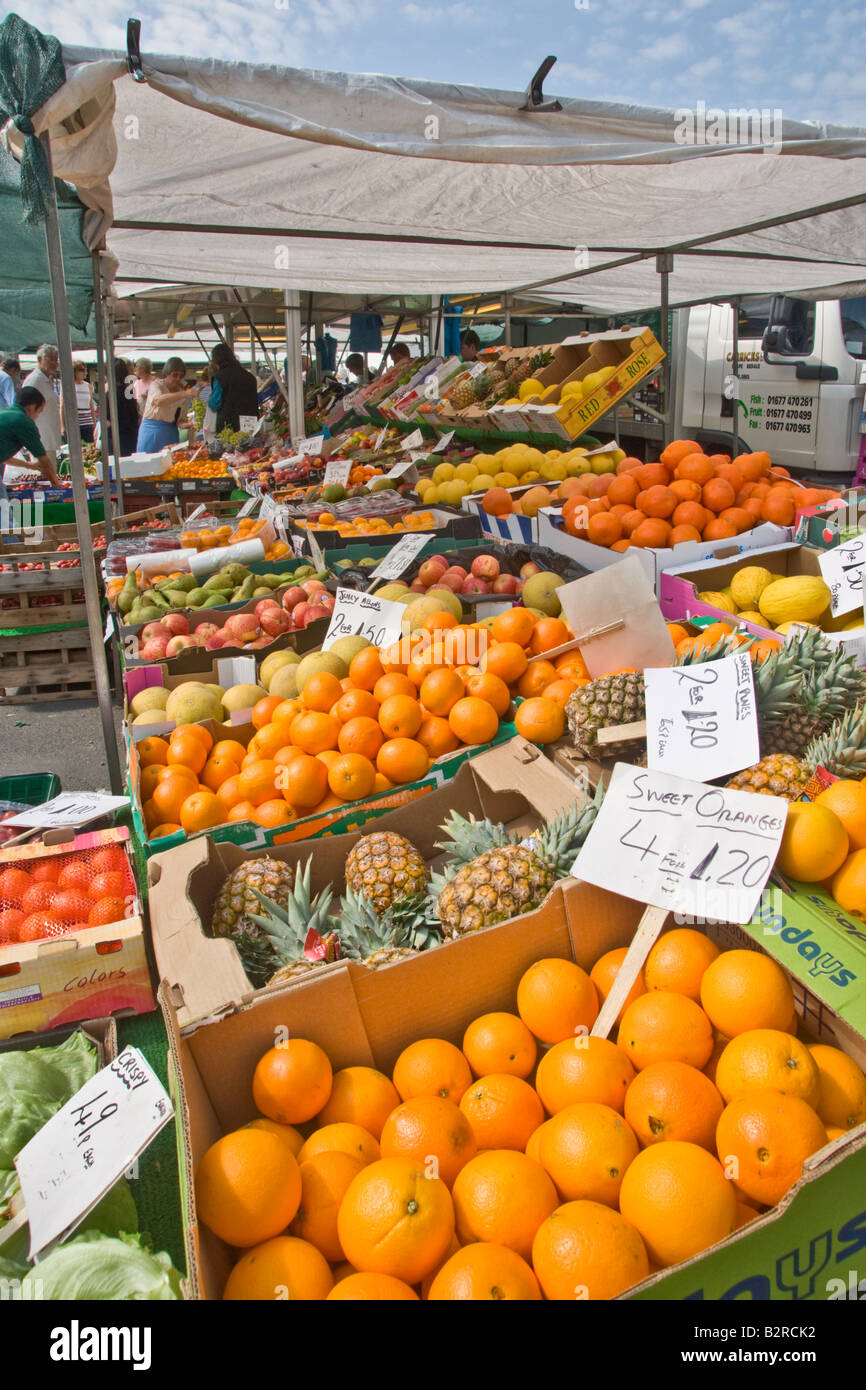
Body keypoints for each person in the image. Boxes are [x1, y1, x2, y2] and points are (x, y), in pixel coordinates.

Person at [0, 387, 63, 493]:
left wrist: (28, 465)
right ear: (32, 407)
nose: (37, 416)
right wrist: (56, 485)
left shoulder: (4, 413)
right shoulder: (23, 421)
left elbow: (5, 458)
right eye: (39, 412)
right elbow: (43, 459)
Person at [136, 357, 197, 453]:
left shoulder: (183, 392)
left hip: (170, 432)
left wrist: (188, 425)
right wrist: (184, 394)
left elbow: (180, 421)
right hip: (151, 431)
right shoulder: (156, 385)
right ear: (167, 373)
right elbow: (158, 401)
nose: (178, 379)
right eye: (175, 375)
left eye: (181, 376)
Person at [22, 344, 62, 465]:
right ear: (40, 360)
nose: (54, 363)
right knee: (44, 479)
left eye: (56, 359)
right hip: (40, 440)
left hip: (49, 439)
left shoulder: (47, 380)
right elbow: (25, 410)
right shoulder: (34, 380)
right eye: (50, 359)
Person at [209, 344, 257, 433]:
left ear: (216, 360)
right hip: (250, 424)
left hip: (228, 427)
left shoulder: (220, 378)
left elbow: (214, 404)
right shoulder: (250, 377)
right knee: (251, 446)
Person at [107, 358, 140, 458]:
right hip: (131, 437)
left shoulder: (110, 394)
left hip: (116, 439)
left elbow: (107, 422)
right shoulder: (129, 392)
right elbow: (136, 416)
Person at [60, 361, 97, 444]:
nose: (85, 373)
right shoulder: (67, 386)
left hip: (88, 423)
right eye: (81, 370)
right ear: (74, 371)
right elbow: (62, 406)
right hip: (74, 423)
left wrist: (94, 424)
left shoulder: (88, 386)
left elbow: (91, 405)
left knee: (90, 448)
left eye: (85, 370)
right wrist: (62, 426)